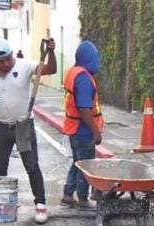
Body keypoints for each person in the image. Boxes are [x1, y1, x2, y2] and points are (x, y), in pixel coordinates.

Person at [0, 39, 57, 224]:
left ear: (11, 55)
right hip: (1, 127)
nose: (6, 64)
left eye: (8, 59)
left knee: (32, 166)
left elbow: (50, 69)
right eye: (1, 61)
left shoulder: (25, 66)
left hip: (23, 126)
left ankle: (40, 204)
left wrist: (51, 52)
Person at [61, 40, 104, 210]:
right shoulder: (84, 79)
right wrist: (96, 131)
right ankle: (83, 199)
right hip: (83, 131)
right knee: (85, 165)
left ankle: (67, 194)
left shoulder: (73, 72)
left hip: (73, 128)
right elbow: (84, 109)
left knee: (77, 163)